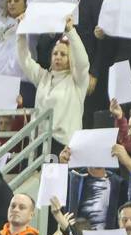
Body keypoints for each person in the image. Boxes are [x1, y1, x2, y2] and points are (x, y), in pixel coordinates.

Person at [16, 16, 90, 153]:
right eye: (55, 53)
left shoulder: (77, 81)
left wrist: (70, 31)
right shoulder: (43, 77)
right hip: (39, 142)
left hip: (64, 145)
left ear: (70, 58)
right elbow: (24, 60)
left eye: (63, 54)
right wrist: (21, 33)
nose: (58, 57)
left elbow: (83, 62)